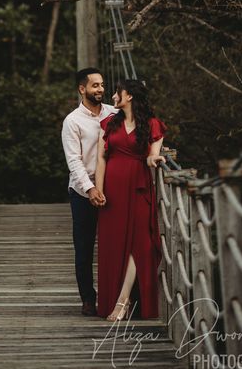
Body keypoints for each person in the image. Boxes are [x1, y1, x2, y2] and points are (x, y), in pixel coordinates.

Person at [95, 79, 166, 321]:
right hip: (112, 190)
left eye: (117, 92)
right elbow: (101, 159)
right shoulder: (109, 123)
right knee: (113, 245)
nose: (113, 97)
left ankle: (122, 301)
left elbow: (152, 155)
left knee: (141, 244)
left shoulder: (152, 124)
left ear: (130, 96)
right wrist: (98, 189)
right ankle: (113, 299)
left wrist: (154, 160)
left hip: (138, 187)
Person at [61, 68, 116, 316]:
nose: (100, 90)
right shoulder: (72, 121)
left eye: (102, 85)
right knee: (83, 248)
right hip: (83, 193)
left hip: (113, 189)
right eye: (95, 85)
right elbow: (74, 161)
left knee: (115, 245)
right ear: (82, 89)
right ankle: (87, 298)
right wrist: (90, 188)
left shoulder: (114, 113)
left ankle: (115, 296)